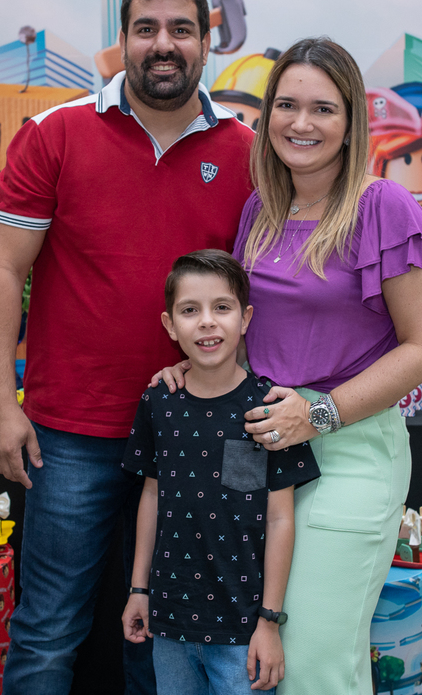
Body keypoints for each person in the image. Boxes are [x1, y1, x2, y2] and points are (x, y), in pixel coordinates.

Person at [0, 0, 255, 695]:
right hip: (71, 431)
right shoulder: (54, 133)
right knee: (47, 632)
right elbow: (3, 269)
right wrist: (0, 402)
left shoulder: (248, 151)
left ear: (207, 43)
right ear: (123, 40)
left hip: (198, 432)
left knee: (168, 637)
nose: (164, 44)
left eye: (182, 29)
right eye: (146, 28)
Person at [156, 38, 422, 694]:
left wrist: (319, 415)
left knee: (314, 663)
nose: (302, 123)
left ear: (351, 122)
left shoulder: (383, 207)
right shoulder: (259, 210)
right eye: (287, 105)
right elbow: (249, 330)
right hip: (260, 449)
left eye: (323, 108)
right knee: (256, 661)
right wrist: (195, 373)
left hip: (348, 451)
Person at [121, 250, 319, 694]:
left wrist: (270, 621)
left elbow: (280, 518)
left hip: (243, 631)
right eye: (190, 310)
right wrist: (139, 590)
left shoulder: (270, 408)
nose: (207, 322)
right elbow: (151, 496)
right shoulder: (157, 402)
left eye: (222, 307)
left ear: (245, 318)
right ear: (170, 325)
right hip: (169, 623)